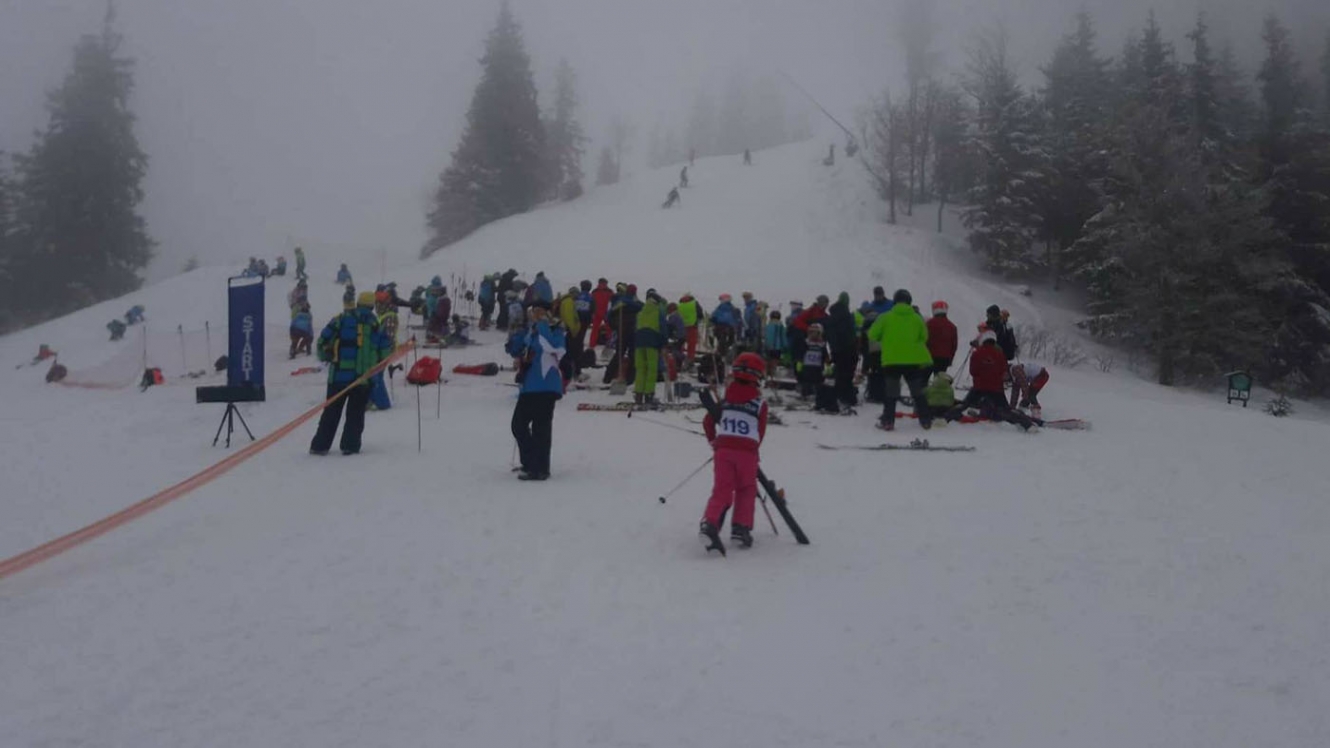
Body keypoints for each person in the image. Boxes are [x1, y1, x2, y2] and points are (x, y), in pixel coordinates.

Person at [700, 352, 770, 553]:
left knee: (721, 489)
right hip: (747, 453)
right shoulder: (760, 404)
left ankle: (710, 523)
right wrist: (753, 449)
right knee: (746, 489)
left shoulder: (725, 401)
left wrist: (713, 440)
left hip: (723, 451)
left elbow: (708, 422)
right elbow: (760, 432)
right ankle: (741, 527)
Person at [310, 291, 394, 455]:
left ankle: (320, 446)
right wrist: (376, 367)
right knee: (355, 415)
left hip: (338, 377)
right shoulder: (376, 326)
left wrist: (327, 356)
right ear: (372, 306)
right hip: (363, 379)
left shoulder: (340, 319)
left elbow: (322, 341)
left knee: (331, 412)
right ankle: (350, 445)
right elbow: (385, 352)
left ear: (358, 304)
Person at [507, 300, 566, 480]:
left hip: (546, 384)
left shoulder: (555, 330)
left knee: (541, 428)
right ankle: (530, 462)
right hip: (529, 386)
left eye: (539, 311)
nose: (536, 314)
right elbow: (516, 350)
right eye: (534, 311)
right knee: (518, 425)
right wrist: (517, 333)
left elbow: (553, 347)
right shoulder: (531, 331)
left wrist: (542, 324)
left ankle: (540, 468)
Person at [866, 289, 933, 431]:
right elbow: (924, 337)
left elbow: (872, 335)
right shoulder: (917, 318)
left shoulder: (885, 317)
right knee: (917, 392)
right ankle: (925, 420)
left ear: (895, 301)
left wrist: (885, 339)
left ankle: (888, 421)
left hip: (891, 360)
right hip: (913, 361)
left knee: (891, 393)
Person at [945, 330, 1037, 430]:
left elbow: (973, 371)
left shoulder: (976, 353)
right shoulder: (1000, 355)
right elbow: (1003, 372)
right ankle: (1028, 425)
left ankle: (945, 419)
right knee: (1007, 410)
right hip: (997, 389)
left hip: (979, 388)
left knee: (964, 405)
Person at [825, 292, 859, 407]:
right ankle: (847, 397)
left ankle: (839, 395)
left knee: (839, 373)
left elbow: (830, 334)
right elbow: (852, 334)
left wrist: (834, 349)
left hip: (837, 350)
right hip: (849, 349)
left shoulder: (832, 317)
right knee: (848, 375)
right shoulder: (848, 316)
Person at [634, 289, 668, 404]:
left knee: (640, 369)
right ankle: (649, 394)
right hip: (652, 342)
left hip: (639, 342)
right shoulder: (659, 311)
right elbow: (663, 329)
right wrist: (664, 343)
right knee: (651, 369)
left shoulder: (640, 313)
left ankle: (638, 394)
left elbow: (636, 328)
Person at [558, 286, 584, 381]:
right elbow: (569, 318)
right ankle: (573, 373)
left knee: (569, 353)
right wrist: (574, 330)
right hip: (571, 331)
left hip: (567, 330)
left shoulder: (565, 301)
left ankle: (569, 372)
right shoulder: (568, 302)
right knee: (572, 353)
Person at [926, 300, 959, 375]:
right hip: (944, 358)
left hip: (928, 356)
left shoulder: (929, 324)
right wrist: (950, 359)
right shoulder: (952, 327)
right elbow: (954, 345)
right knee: (939, 379)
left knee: (923, 379)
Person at [798, 323, 829, 399]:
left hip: (818, 367)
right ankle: (805, 394)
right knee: (806, 381)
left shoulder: (822, 344)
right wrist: (799, 362)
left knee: (818, 381)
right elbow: (801, 353)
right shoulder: (806, 343)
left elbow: (825, 355)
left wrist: (827, 363)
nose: (813, 335)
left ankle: (818, 394)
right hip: (807, 366)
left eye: (816, 333)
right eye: (811, 332)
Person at [677, 292, 706, 367]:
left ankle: (679, 360)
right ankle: (690, 361)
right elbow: (700, 315)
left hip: (681, 327)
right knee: (691, 345)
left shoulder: (680, 305)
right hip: (692, 326)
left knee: (681, 344)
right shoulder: (694, 303)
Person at [709, 294, 741, 359]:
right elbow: (737, 319)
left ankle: (720, 353)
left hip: (720, 328)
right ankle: (725, 353)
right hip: (730, 329)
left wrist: (712, 321)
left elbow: (713, 317)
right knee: (729, 341)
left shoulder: (720, 307)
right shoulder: (733, 308)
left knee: (720, 340)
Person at [589, 278, 614, 352]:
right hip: (605, 313)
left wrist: (592, 312)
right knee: (608, 329)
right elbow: (613, 301)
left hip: (598, 313)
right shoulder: (609, 292)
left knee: (595, 330)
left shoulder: (594, 292)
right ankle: (609, 344)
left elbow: (591, 302)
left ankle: (592, 345)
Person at [763, 311, 787, 376]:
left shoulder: (767, 326)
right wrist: (785, 347)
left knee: (767, 362)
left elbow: (764, 336)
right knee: (774, 362)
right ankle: (772, 375)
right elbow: (783, 338)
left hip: (768, 347)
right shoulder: (781, 326)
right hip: (777, 348)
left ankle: (767, 375)